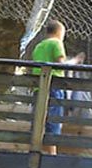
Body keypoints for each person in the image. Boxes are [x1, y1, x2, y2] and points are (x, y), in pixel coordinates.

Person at [31, 21, 72, 156]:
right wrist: (75, 62)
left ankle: (34, 154)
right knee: (53, 124)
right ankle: (52, 157)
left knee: (38, 124)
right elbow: (61, 63)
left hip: (38, 89)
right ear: (59, 32)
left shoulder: (38, 46)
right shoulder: (56, 43)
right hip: (53, 87)